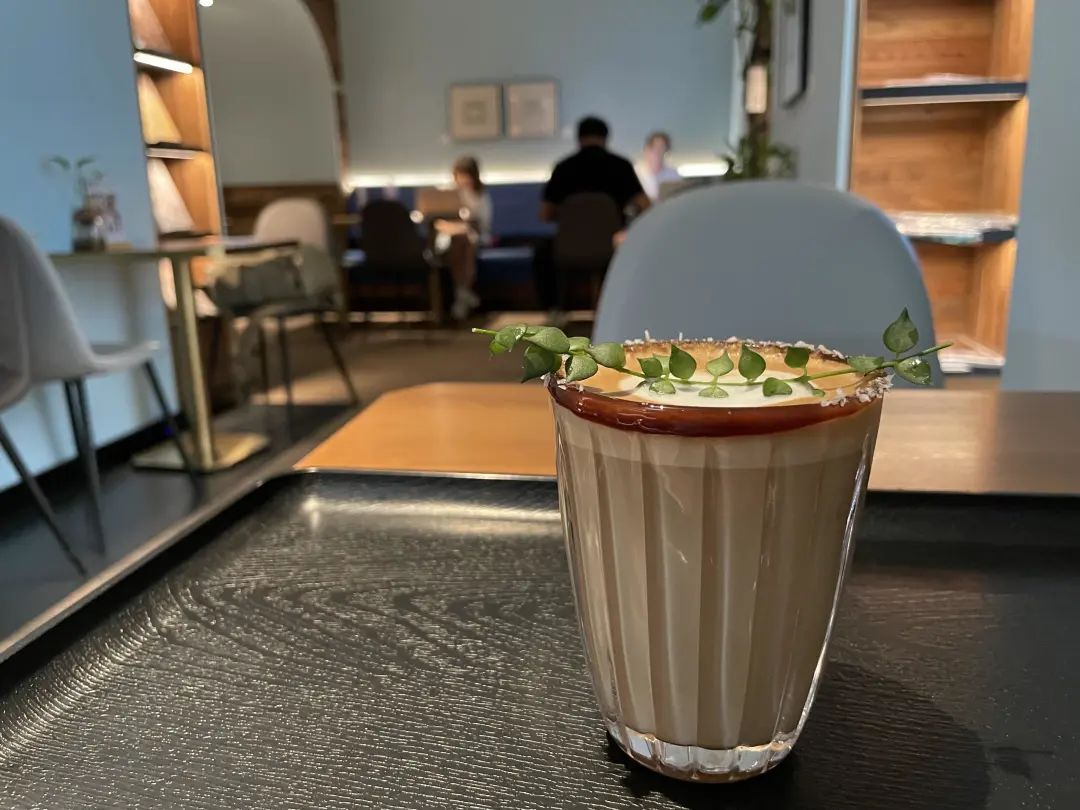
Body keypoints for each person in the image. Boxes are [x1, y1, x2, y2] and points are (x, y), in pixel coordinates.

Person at [539, 116, 650, 223]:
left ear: (579, 139)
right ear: (605, 138)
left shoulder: (562, 168)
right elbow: (645, 205)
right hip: (612, 234)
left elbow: (545, 214)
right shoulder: (622, 166)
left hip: (572, 235)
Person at [435, 155, 493, 320]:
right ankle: (464, 294)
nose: (463, 180)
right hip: (449, 237)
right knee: (459, 240)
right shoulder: (447, 193)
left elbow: (483, 223)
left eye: (466, 176)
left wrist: (465, 225)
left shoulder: (480, 196)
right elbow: (438, 220)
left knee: (465, 240)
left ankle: (461, 295)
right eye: (460, 176)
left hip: (474, 236)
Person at [635, 131, 681, 201]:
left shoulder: (673, 175)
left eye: (662, 148)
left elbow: (679, 199)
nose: (658, 152)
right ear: (646, 150)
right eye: (655, 148)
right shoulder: (635, 173)